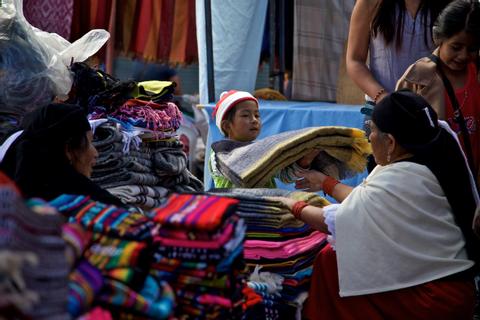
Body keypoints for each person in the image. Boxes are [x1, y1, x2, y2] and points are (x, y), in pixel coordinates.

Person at [272, 90, 480, 319]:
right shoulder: (432, 152)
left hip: (434, 298)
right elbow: (368, 200)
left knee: (331, 262)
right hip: (452, 286)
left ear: (390, 142)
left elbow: (335, 221)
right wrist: (325, 183)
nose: (369, 137)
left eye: (372, 130)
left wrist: (290, 205)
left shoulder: (402, 176)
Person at [346, 0, 450, 171]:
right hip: (381, 112)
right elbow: (354, 61)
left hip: (431, 112)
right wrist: (383, 98)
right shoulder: (370, 3)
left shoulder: (447, 5)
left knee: (426, 183)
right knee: (382, 185)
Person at [397, 0, 480, 182]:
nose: (464, 56)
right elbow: (399, 141)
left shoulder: (477, 74)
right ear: (439, 38)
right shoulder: (417, 78)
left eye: (473, 49)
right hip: (432, 184)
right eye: (456, 47)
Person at [0, 103, 124, 206]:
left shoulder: (9, 200)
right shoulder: (91, 204)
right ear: (68, 150)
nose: (96, 153)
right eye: (90, 143)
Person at [209, 90, 319, 188]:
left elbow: (285, 176)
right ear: (227, 126)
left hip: (267, 206)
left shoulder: (262, 150)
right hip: (237, 208)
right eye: (245, 115)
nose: (254, 120)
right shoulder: (219, 152)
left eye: (257, 115)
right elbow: (243, 171)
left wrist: (305, 161)